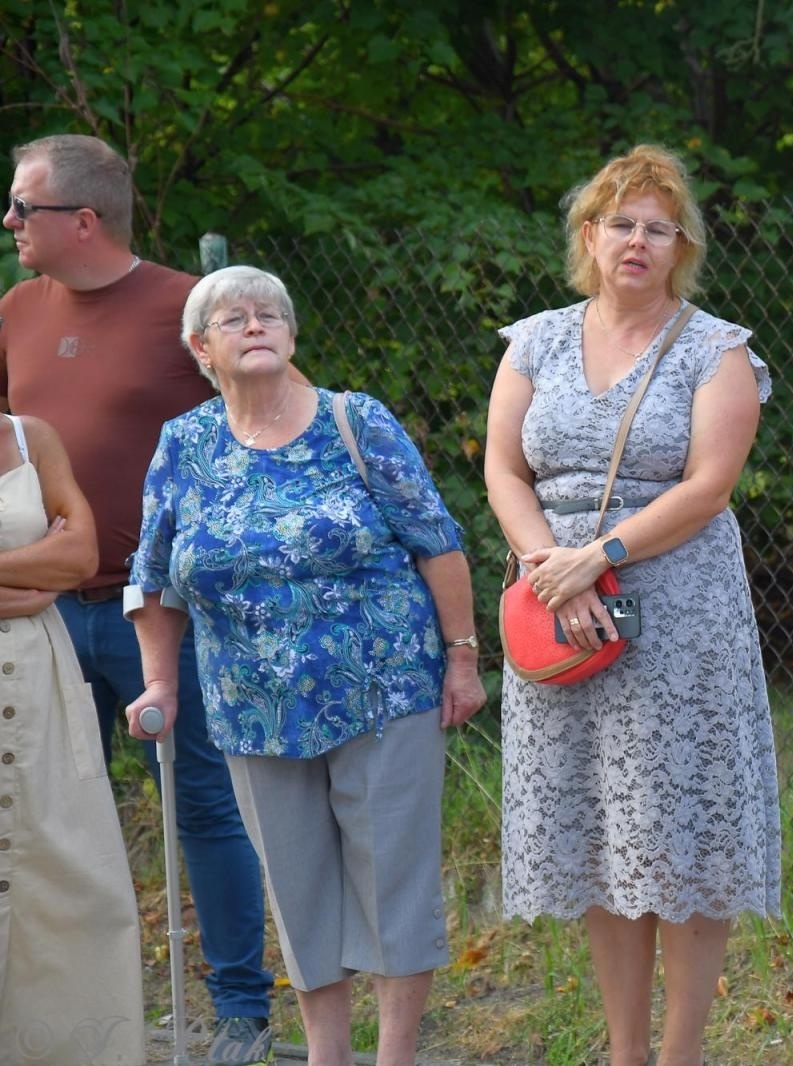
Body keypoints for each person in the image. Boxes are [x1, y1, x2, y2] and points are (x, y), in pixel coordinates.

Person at [122, 265, 487, 1066]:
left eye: (270, 315)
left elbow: (439, 541)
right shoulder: (184, 445)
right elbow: (151, 579)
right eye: (234, 318)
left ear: (291, 337)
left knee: (394, 879)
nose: (255, 326)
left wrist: (462, 657)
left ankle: (391, 1056)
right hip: (249, 704)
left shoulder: (356, 421)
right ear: (201, 348)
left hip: (384, 684)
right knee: (295, 887)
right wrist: (158, 679)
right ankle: (327, 1055)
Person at [485, 144, 781, 1066]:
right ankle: (625, 1052)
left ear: (680, 246)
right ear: (590, 235)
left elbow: (708, 487)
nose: (639, 241)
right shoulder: (533, 339)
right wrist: (549, 566)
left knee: (680, 830)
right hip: (553, 604)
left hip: (676, 611)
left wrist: (598, 557)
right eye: (622, 223)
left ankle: (682, 1051)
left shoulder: (715, 348)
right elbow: (503, 466)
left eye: (660, 227)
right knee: (600, 829)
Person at [0, 133, 275, 1063]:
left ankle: (240, 1011)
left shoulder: (181, 309)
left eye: (21, 208)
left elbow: (250, 429)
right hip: (34, 618)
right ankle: (51, 1015)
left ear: (83, 219)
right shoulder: (15, 309)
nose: (8, 224)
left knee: (202, 804)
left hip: (158, 613)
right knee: (37, 811)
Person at [0, 413, 143, 1065]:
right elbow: (54, 554)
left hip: (39, 692)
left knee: (69, 881)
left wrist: (55, 562)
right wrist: (30, 565)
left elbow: (81, 556)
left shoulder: (33, 438)